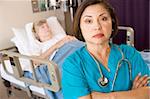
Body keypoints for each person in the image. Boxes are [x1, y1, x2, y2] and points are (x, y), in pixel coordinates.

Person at [61, 0, 150, 99]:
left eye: (103, 19)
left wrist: (108, 97)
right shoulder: (73, 64)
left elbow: (148, 92)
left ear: (112, 23)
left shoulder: (130, 54)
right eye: (89, 21)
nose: (97, 27)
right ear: (80, 27)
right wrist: (133, 94)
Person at [24, 19, 84, 99]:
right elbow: (36, 61)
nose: (47, 28)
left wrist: (73, 40)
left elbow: (77, 43)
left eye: (47, 26)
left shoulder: (60, 36)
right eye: (43, 27)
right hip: (59, 59)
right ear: (37, 33)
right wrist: (56, 45)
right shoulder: (38, 45)